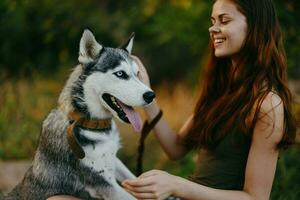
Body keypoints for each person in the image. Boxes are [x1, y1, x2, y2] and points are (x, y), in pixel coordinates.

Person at [49, 0, 297, 199]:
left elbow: (255, 197)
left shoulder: (267, 104)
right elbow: (176, 148)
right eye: (212, 21)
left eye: (224, 20)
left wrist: (177, 186)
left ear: (255, 27)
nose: (213, 28)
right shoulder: (222, 91)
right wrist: (146, 95)